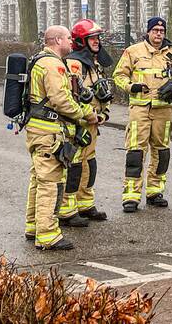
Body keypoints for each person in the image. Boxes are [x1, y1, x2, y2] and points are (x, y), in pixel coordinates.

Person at [24, 26, 98, 251]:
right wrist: (85, 114)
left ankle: (33, 226)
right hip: (49, 132)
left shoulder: (39, 60)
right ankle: (47, 235)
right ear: (57, 40)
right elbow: (61, 100)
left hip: (38, 130)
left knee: (38, 180)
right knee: (51, 183)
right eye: (67, 38)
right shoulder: (53, 64)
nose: (71, 41)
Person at [113, 16, 172, 213]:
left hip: (163, 111)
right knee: (135, 152)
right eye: (155, 31)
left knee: (162, 152)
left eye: (162, 31)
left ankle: (154, 192)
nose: (159, 34)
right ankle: (131, 196)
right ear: (148, 32)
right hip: (140, 109)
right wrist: (131, 86)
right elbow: (118, 75)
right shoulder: (133, 52)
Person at [63, 19, 114, 223]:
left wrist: (104, 114)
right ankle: (67, 209)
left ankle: (85, 204)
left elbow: (103, 92)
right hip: (78, 124)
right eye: (92, 38)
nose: (97, 41)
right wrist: (88, 114)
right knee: (74, 165)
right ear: (81, 41)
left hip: (93, 123)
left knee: (89, 163)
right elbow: (73, 95)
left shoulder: (95, 63)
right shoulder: (74, 63)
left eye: (97, 37)